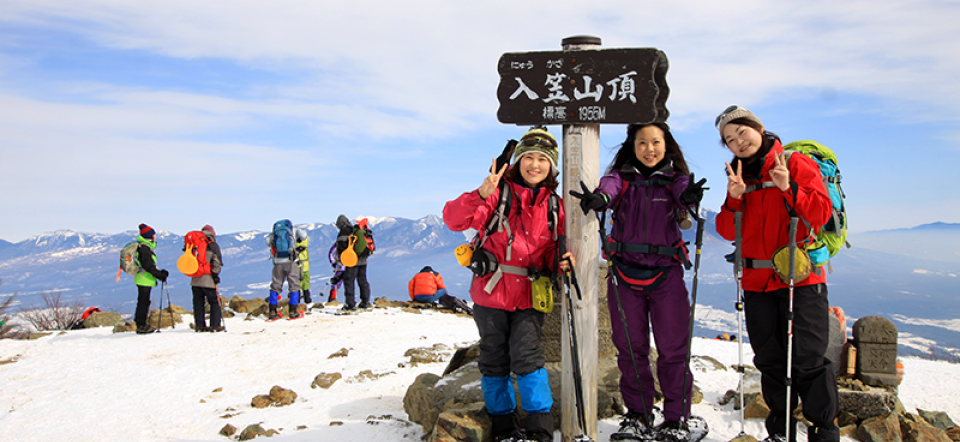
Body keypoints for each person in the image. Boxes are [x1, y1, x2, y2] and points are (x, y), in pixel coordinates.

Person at [569, 122, 706, 440]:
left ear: (666, 144)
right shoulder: (622, 177)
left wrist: (688, 197)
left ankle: (675, 419)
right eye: (642, 143)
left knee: (673, 351)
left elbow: (683, 194)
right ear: (632, 146)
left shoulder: (675, 178)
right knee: (630, 349)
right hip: (625, 275)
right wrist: (602, 199)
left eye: (655, 142)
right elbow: (609, 187)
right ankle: (638, 415)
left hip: (666, 275)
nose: (649, 149)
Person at [714, 105, 838, 442]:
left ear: (758, 128)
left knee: (808, 359)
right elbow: (726, 229)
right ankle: (780, 430)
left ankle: (822, 431)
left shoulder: (795, 164)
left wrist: (789, 188)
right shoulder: (739, 176)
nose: (739, 141)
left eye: (742, 132)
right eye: (730, 139)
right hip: (757, 282)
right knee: (770, 360)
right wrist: (735, 198)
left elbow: (822, 212)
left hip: (801, 279)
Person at [443, 127, 574, 442]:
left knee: (527, 356)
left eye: (542, 158)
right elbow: (453, 219)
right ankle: (503, 427)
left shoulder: (555, 205)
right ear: (518, 161)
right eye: (528, 156)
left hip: (530, 295)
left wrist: (562, 262)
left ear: (551, 166)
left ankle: (539, 428)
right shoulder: (498, 195)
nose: (534, 164)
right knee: (493, 358)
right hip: (491, 294)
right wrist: (480, 194)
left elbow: (556, 249)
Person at [265, 220, 309, 320]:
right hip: (291, 261)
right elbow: (304, 236)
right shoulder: (294, 231)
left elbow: (267, 241)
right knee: (294, 286)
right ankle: (293, 311)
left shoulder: (275, 233)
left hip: (277, 262)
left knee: (275, 285)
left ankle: (272, 311)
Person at [133, 223, 169, 334]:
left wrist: (159, 273)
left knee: (143, 301)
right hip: (145, 278)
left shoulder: (143, 246)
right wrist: (159, 275)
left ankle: (140, 323)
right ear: (150, 236)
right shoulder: (144, 248)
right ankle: (141, 325)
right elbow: (148, 266)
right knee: (143, 302)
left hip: (143, 278)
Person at [334, 215, 373, 311]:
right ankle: (365, 302)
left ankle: (350, 304)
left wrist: (341, 258)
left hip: (352, 260)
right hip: (363, 260)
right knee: (362, 280)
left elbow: (341, 246)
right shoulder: (357, 230)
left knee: (349, 281)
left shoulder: (345, 231)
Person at [192, 225, 224, 332]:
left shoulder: (194, 244)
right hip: (208, 279)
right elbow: (217, 262)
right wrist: (215, 275)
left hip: (195, 279)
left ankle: (200, 325)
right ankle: (215, 325)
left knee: (198, 303)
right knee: (214, 302)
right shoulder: (213, 245)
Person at [408, 266, 473, 315]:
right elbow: (441, 286)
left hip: (418, 298)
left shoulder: (416, 276)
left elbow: (410, 287)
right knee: (443, 291)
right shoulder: (435, 275)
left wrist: (414, 298)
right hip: (429, 298)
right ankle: (443, 303)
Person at [297, 235, 311, 305]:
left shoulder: (294, 244)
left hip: (297, 267)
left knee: (296, 285)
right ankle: (307, 298)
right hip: (305, 267)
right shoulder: (305, 246)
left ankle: (297, 300)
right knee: (306, 283)